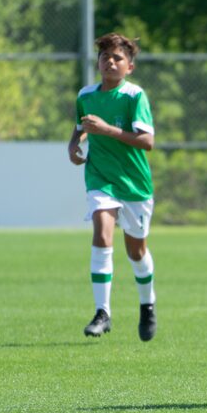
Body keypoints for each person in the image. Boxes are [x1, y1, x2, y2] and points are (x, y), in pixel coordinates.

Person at [67, 33, 158, 341]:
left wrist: (107, 130)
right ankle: (102, 312)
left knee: (136, 251)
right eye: (105, 57)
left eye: (118, 58)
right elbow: (80, 128)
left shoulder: (134, 97)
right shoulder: (86, 94)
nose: (110, 62)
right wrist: (73, 147)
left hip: (134, 184)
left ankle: (147, 305)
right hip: (100, 178)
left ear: (129, 66)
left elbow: (147, 141)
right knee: (102, 232)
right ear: (98, 63)